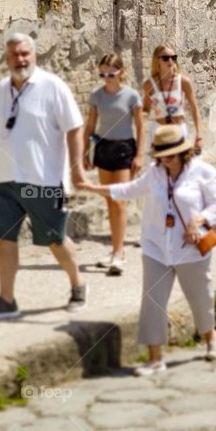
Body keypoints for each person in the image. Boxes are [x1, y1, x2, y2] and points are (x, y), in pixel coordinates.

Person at [79, 125, 216, 374]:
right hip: (156, 246)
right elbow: (128, 189)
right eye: (162, 155)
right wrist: (93, 189)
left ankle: (211, 338)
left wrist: (199, 219)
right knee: (153, 302)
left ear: (183, 152)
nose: (166, 159)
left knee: (200, 297)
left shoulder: (202, 172)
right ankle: (155, 359)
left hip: (190, 247)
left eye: (171, 154)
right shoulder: (155, 174)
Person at [0, 34, 88, 320]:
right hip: (6, 179)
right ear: (7, 57)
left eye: (25, 53)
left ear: (34, 55)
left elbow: (75, 128)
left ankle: (78, 284)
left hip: (44, 181)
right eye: (14, 54)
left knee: (54, 238)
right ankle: (6, 300)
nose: (20, 59)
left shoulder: (53, 87)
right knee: (4, 238)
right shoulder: (3, 88)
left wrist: (76, 170)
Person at [84, 53, 145, 275]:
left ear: (121, 72)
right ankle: (115, 250)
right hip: (103, 148)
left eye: (111, 73)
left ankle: (118, 253)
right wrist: (84, 151)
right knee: (110, 202)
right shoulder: (97, 96)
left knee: (120, 201)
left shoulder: (131, 96)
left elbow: (140, 127)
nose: (106, 78)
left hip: (124, 150)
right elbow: (90, 125)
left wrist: (139, 155)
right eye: (102, 74)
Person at [143, 45, 202, 149]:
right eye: (165, 58)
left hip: (179, 129)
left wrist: (199, 136)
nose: (170, 61)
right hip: (159, 130)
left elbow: (194, 109)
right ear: (157, 61)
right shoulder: (150, 84)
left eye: (173, 57)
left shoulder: (183, 82)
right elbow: (146, 110)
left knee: (183, 163)